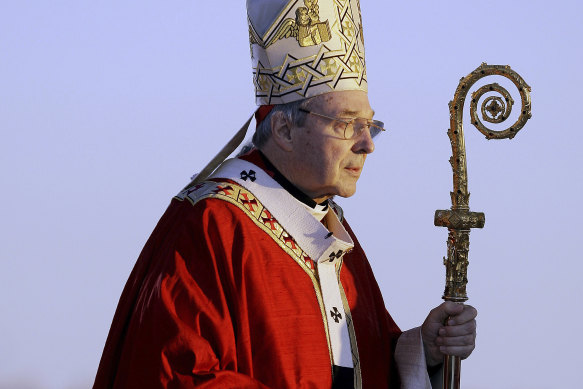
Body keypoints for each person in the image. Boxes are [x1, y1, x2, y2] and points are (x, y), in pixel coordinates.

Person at [94, 1, 477, 388]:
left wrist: (422, 352)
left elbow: (358, 370)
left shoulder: (328, 228)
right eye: (346, 123)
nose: (366, 144)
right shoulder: (212, 224)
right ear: (284, 130)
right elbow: (177, 373)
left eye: (369, 125)